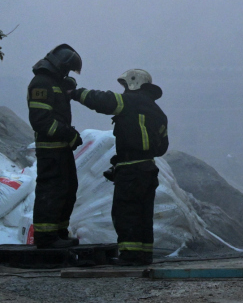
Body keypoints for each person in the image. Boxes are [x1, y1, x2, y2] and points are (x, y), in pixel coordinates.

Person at [69, 69, 168, 265]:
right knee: (143, 214)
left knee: (126, 213)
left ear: (133, 83)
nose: (123, 90)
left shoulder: (130, 101)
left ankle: (130, 256)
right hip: (149, 169)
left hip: (130, 170)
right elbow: (162, 147)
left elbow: (102, 100)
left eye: (124, 85)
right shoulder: (158, 113)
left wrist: (74, 93)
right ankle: (144, 255)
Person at [27, 44, 83, 249]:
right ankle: (45, 237)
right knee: (51, 190)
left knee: (67, 189)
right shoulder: (41, 84)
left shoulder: (53, 83)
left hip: (61, 148)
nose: (67, 74)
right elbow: (41, 121)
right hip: (50, 149)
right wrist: (67, 133)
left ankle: (59, 232)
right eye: (67, 70)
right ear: (61, 65)